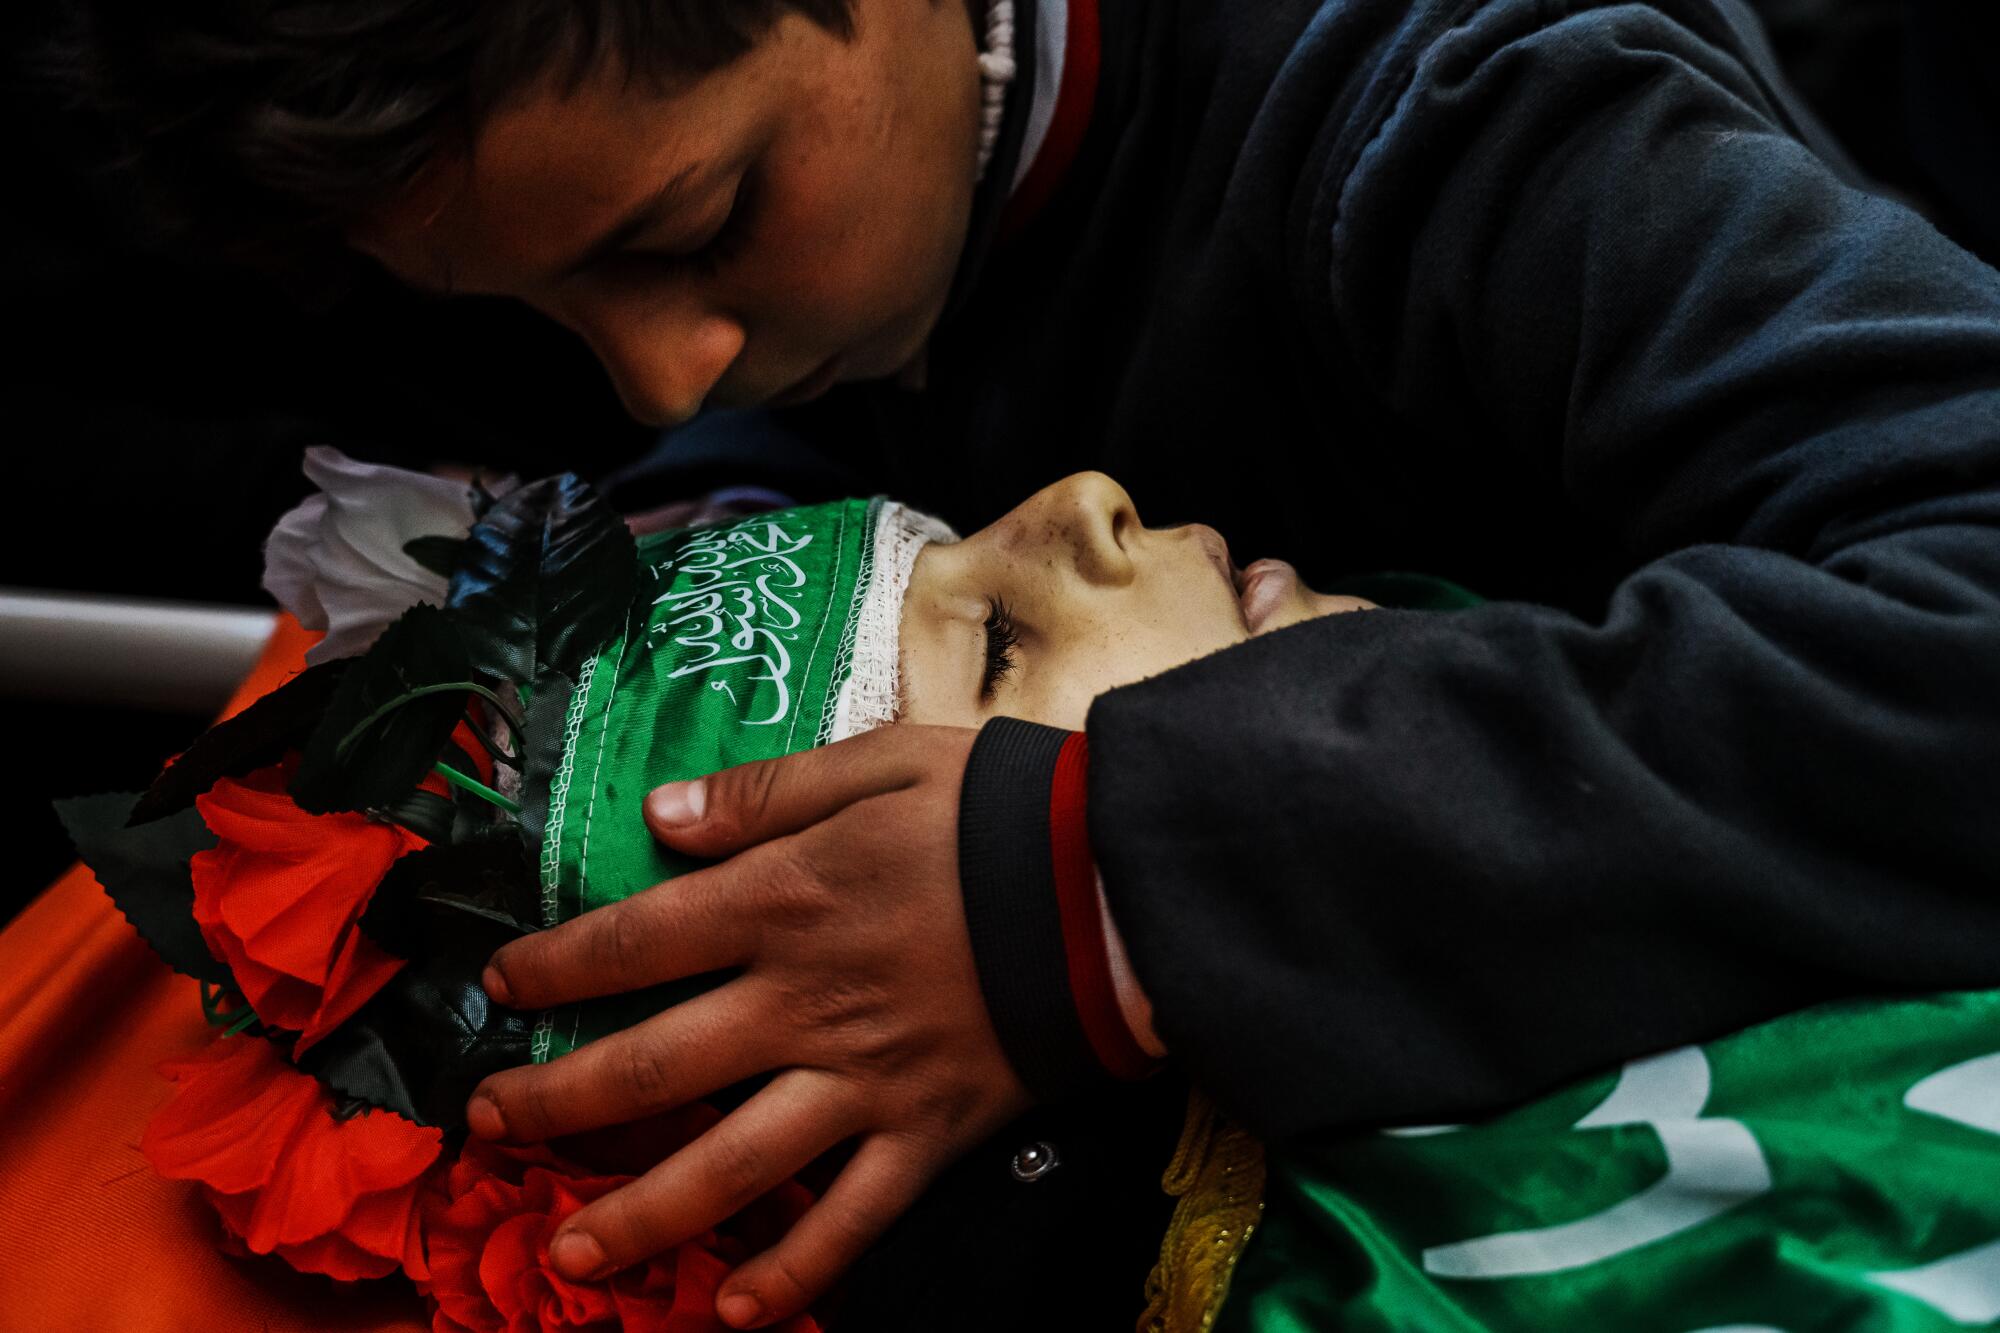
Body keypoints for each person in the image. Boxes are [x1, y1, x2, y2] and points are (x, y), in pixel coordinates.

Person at [45, 0, 2000, 1327]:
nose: (660, 371)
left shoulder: (1465, 119)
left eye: (709, 221)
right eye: (546, 312)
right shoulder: (775, 318)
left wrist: (1116, 876)